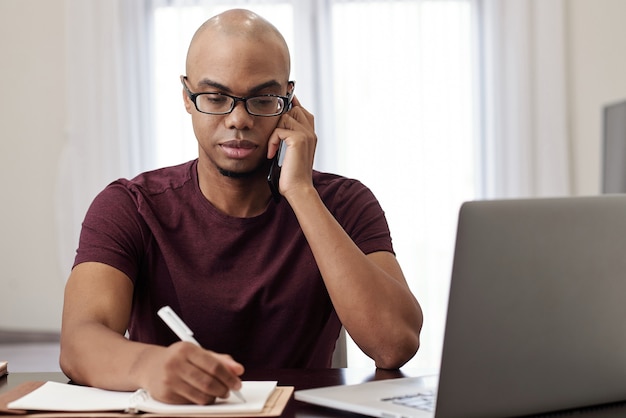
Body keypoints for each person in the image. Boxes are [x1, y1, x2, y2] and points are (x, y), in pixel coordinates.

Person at [60, 8, 423, 406]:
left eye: (262, 99)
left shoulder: (345, 203)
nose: (238, 119)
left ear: (289, 102)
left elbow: (395, 345)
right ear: (187, 97)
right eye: (216, 98)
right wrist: (149, 366)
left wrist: (301, 190)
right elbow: (79, 343)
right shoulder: (131, 206)